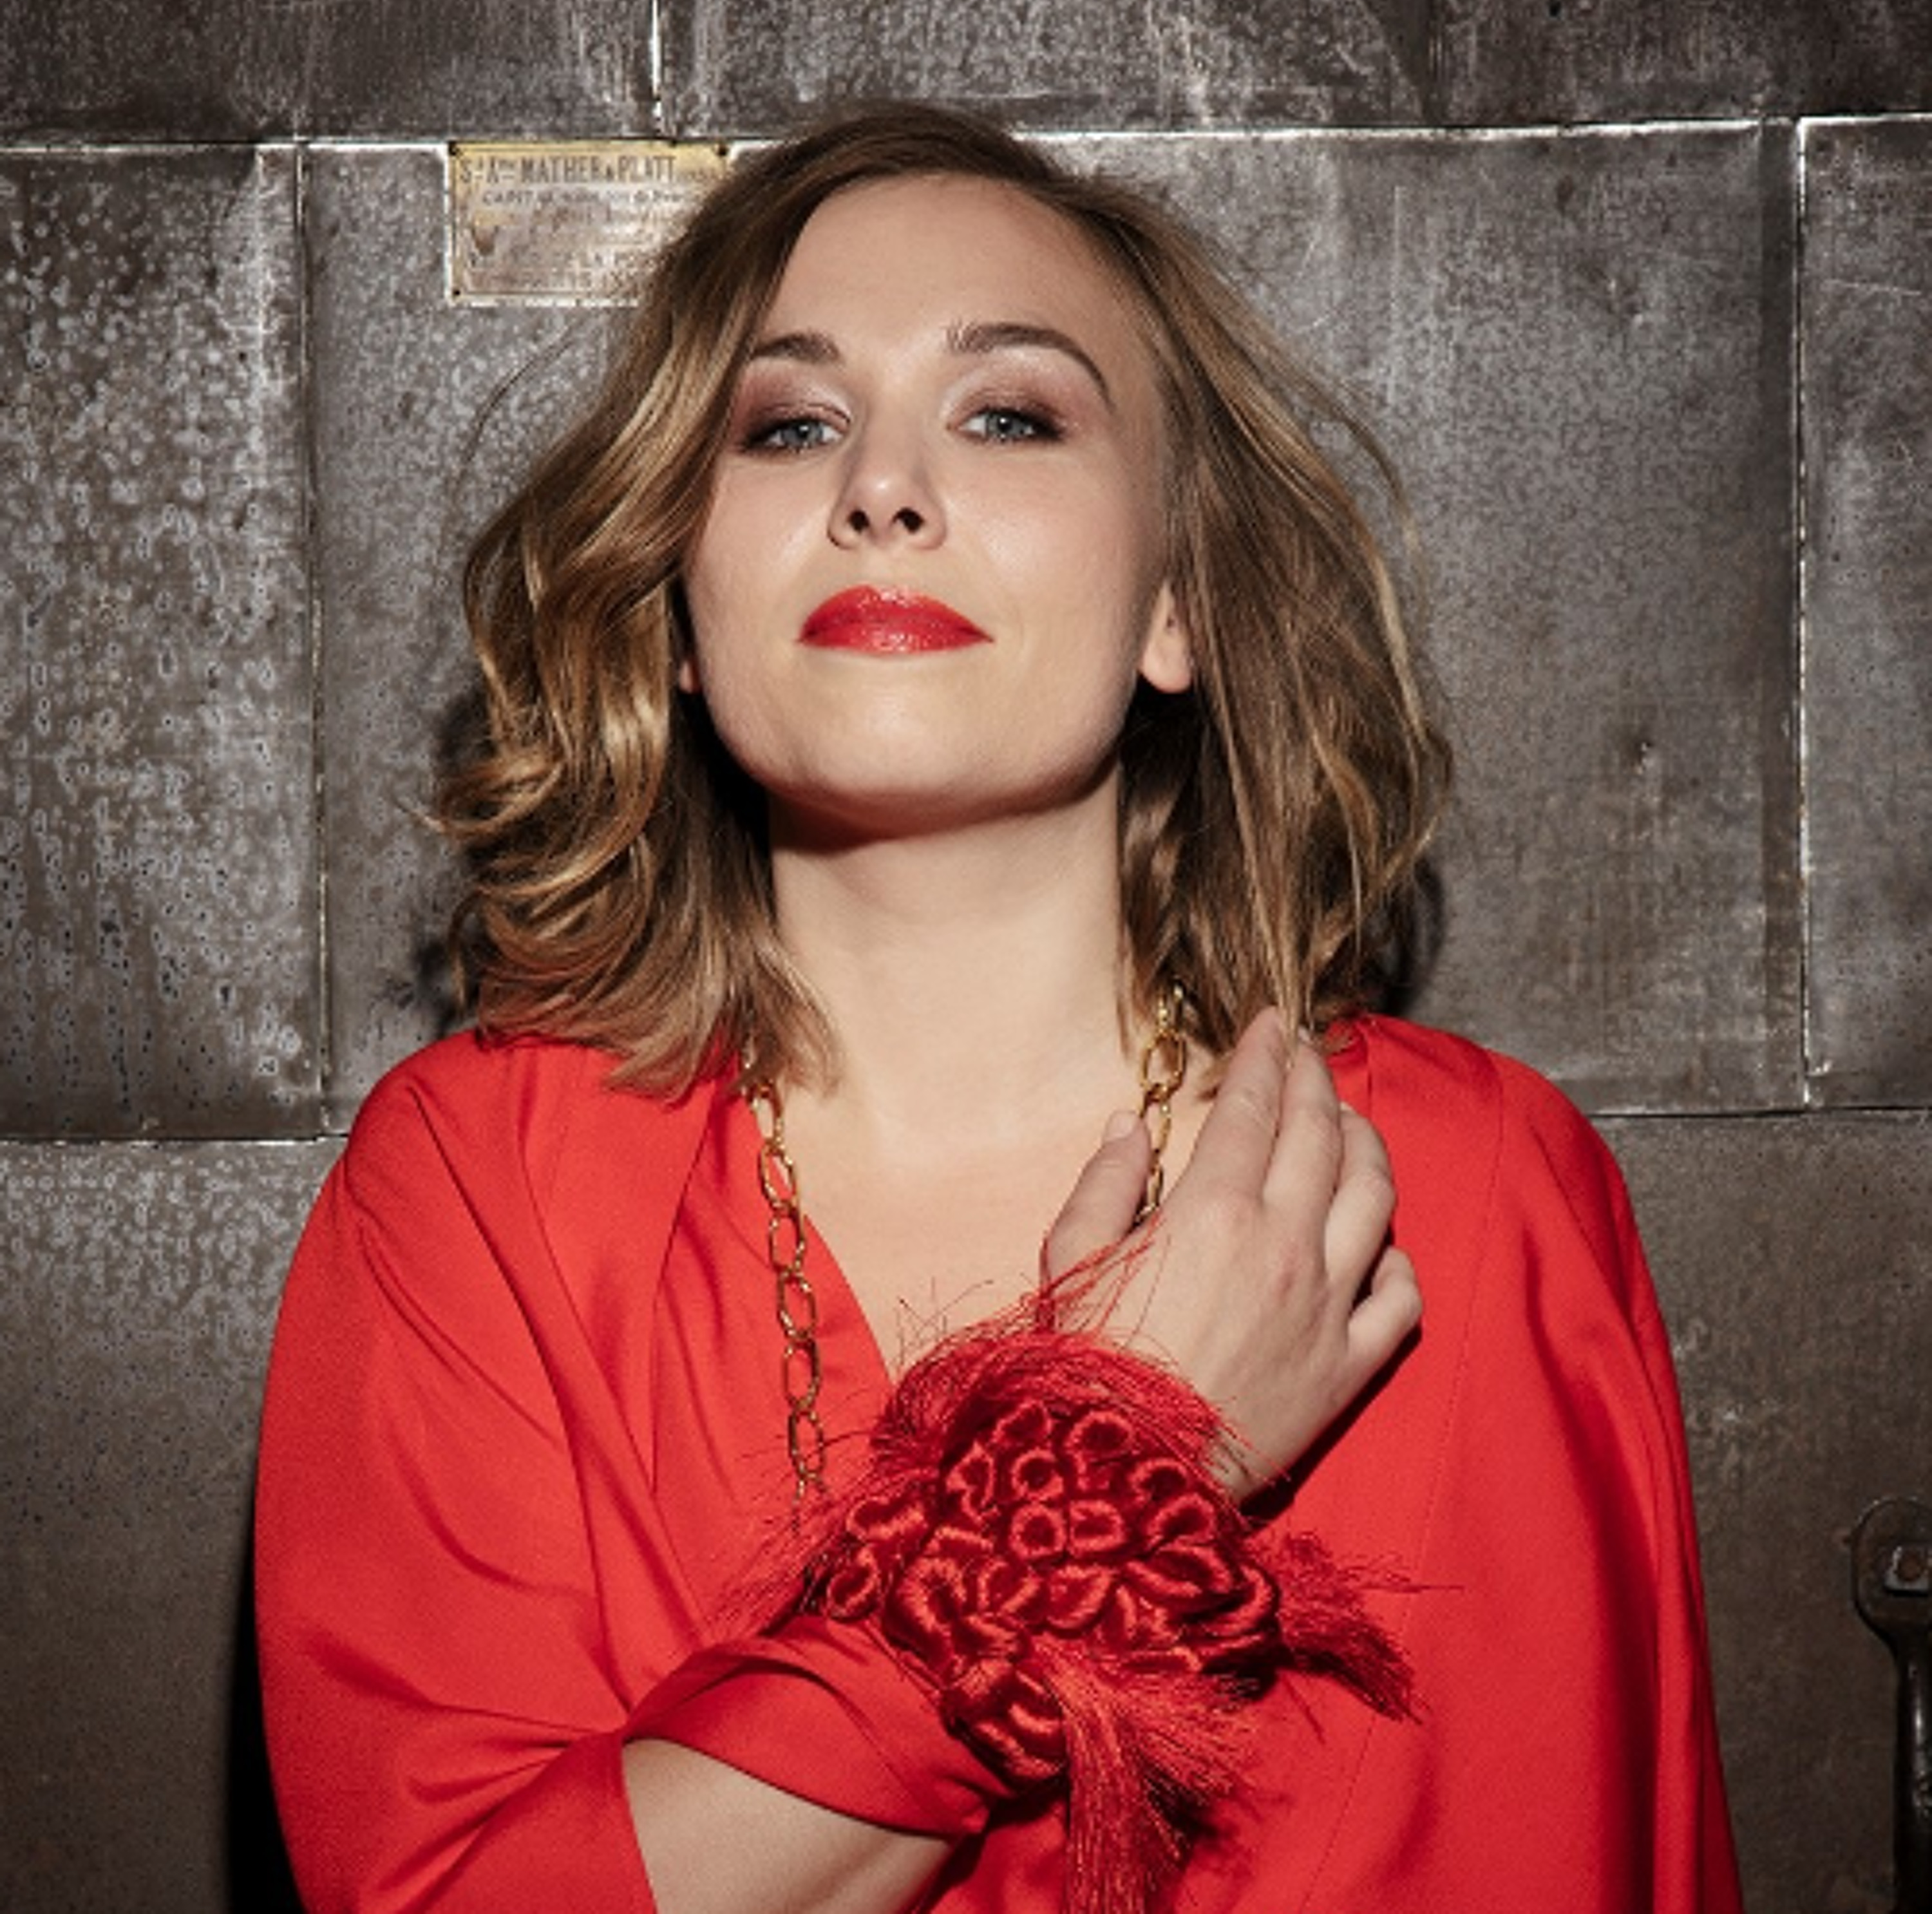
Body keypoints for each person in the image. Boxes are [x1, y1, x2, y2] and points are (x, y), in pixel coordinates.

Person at [254, 103, 1743, 1913]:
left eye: (1011, 415)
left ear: (1175, 600)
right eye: (790, 425)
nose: (883, 490)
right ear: (679, 609)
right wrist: (1117, 1461)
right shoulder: (475, 1185)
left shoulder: (1478, 1190)